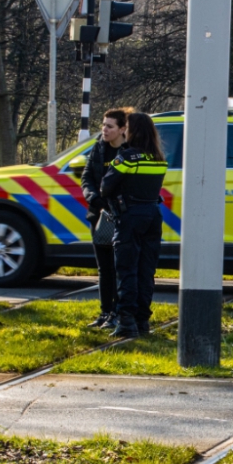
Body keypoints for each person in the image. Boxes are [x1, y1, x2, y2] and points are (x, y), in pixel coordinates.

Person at [100, 112, 168, 338]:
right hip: (152, 216)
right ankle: (142, 321)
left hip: (129, 217)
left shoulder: (127, 158)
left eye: (127, 127)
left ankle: (126, 321)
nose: (125, 131)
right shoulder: (159, 159)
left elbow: (106, 186)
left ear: (134, 130)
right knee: (146, 271)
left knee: (127, 270)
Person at [80, 108, 131, 330]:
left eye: (110, 126)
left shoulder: (129, 152)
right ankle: (105, 312)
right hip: (100, 215)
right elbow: (87, 177)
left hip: (122, 215)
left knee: (121, 266)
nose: (104, 130)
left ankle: (119, 313)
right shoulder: (99, 148)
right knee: (104, 267)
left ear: (122, 129)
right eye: (103, 125)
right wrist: (93, 197)